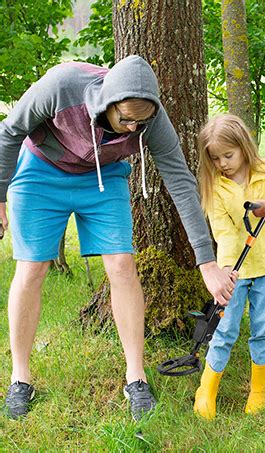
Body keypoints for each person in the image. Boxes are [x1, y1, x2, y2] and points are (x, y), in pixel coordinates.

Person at [0, 55, 237, 421]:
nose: (131, 129)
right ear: (106, 103)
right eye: (125, 118)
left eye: (139, 122)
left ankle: (136, 378)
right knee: (31, 268)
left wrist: (206, 261)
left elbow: (180, 181)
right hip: (41, 172)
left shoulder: (151, 120)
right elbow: (10, 131)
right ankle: (20, 379)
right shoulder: (62, 86)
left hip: (104, 178)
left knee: (123, 265)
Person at [193, 114, 265, 420]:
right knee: (226, 328)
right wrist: (227, 267)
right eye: (215, 158)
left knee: (264, 328)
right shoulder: (216, 187)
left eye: (228, 155)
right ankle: (206, 389)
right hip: (236, 272)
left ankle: (258, 390)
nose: (222, 163)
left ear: (244, 147)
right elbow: (224, 230)